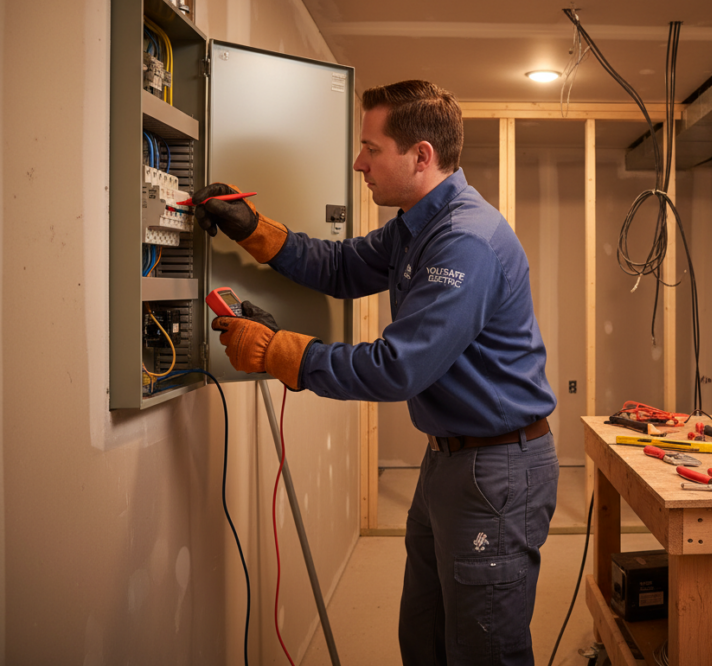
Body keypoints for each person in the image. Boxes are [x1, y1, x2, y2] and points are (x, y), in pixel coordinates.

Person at [193, 80, 559, 666]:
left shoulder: (464, 240)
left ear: (421, 156)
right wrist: (255, 230)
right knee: (426, 636)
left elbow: (396, 369)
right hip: (449, 458)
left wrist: (278, 352)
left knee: (485, 649)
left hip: (496, 469)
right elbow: (343, 265)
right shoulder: (417, 223)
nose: (358, 163)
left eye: (371, 148)